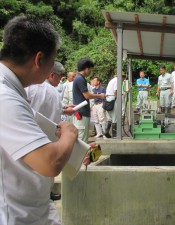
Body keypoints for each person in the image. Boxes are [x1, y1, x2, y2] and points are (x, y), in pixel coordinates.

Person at [0, 16, 78, 225]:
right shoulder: (5, 97)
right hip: (15, 215)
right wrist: (69, 135)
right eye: (53, 61)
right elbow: (49, 162)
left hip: (33, 205)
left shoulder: (13, 89)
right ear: (39, 59)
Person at [25, 61, 75, 202]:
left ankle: (43, 194)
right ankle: (47, 194)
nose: (60, 80)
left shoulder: (29, 87)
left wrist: (65, 109)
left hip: (31, 136)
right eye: (59, 77)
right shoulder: (53, 92)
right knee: (46, 169)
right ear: (52, 74)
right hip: (48, 137)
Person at [72, 58, 106, 143]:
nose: (90, 71)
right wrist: (100, 95)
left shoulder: (79, 78)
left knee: (83, 138)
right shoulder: (80, 78)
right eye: (90, 69)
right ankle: (81, 156)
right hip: (81, 113)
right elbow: (87, 95)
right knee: (82, 140)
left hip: (82, 112)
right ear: (86, 68)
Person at [103, 72, 126, 138]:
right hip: (113, 99)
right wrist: (117, 99)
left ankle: (106, 131)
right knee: (115, 117)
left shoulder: (112, 80)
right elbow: (115, 91)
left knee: (110, 117)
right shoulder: (117, 80)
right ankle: (115, 134)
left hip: (108, 99)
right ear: (122, 77)